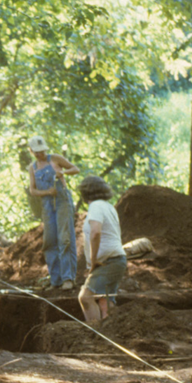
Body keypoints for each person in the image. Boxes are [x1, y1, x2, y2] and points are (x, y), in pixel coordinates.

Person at [26, 135, 80, 291]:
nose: (39, 154)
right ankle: (55, 281)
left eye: (41, 151)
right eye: (36, 152)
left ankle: (68, 278)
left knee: (65, 239)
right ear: (31, 152)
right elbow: (33, 190)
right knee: (50, 241)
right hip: (47, 205)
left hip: (62, 201)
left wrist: (63, 173)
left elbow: (75, 169)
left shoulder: (55, 158)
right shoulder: (33, 168)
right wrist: (47, 192)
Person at [76, 175, 128, 324]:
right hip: (116, 260)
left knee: (85, 298)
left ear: (85, 193)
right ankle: (111, 334)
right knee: (105, 301)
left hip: (108, 261)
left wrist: (93, 261)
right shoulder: (109, 207)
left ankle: (94, 334)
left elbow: (96, 232)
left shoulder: (96, 206)